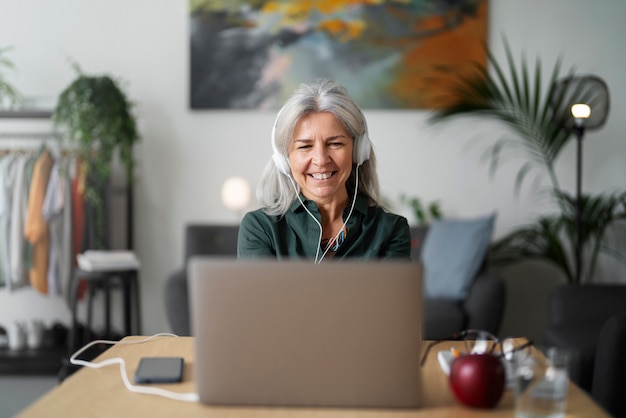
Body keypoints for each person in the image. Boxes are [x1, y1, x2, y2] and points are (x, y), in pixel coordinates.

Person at [237, 79, 410, 263]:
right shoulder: (260, 227)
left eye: (335, 144)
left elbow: (390, 293)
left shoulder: (390, 229)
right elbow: (260, 292)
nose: (320, 160)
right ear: (285, 159)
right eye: (305, 146)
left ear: (358, 151)